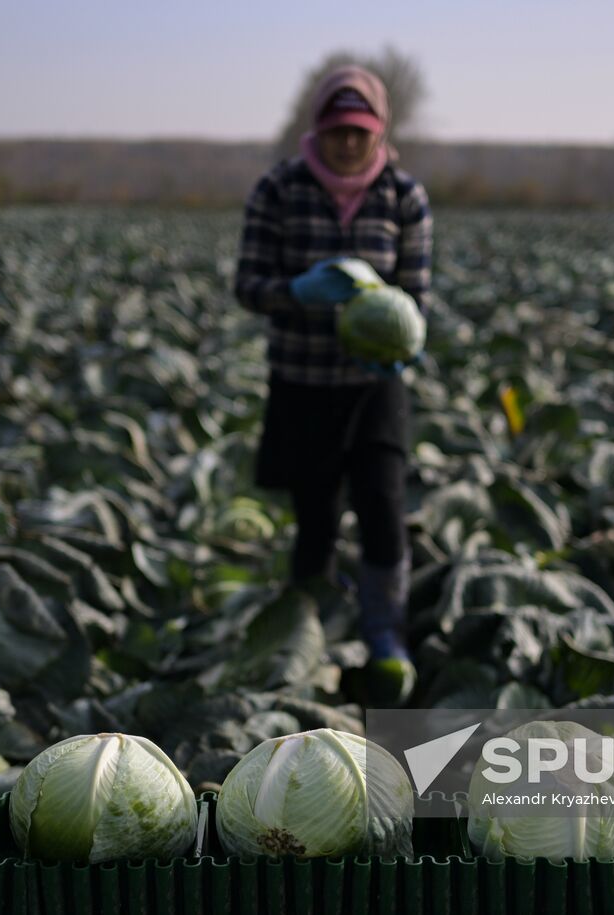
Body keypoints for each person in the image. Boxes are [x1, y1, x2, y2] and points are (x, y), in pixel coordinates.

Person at [233, 65, 433, 686]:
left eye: (360, 131)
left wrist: (405, 342)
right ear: (318, 129)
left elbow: (417, 295)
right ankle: (304, 631)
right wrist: (296, 291)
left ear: (379, 132)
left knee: (383, 504)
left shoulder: (404, 196)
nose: (349, 142)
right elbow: (248, 286)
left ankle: (385, 632)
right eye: (338, 130)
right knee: (315, 516)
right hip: (302, 382)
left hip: (375, 387)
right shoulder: (279, 189)